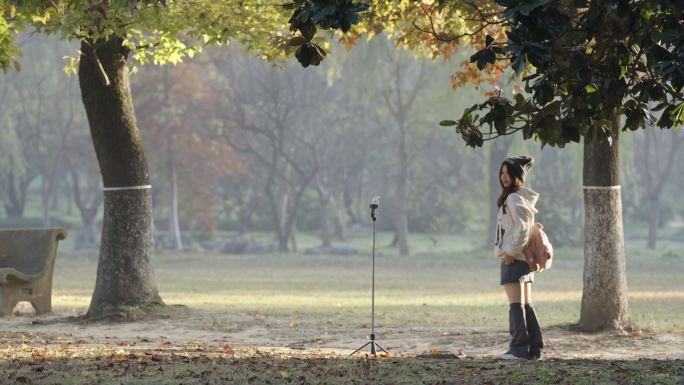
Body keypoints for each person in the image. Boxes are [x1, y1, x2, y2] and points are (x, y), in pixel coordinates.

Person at [494, 156, 543, 360]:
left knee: (516, 304)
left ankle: (518, 349)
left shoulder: (514, 198)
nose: (505, 177)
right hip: (522, 258)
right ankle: (534, 349)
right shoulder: (518, 197)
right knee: (525, 304)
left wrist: (510, 253)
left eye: (509, 173)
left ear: (517, 176)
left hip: (514, 258)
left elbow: (522, 228)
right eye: (502, 173)